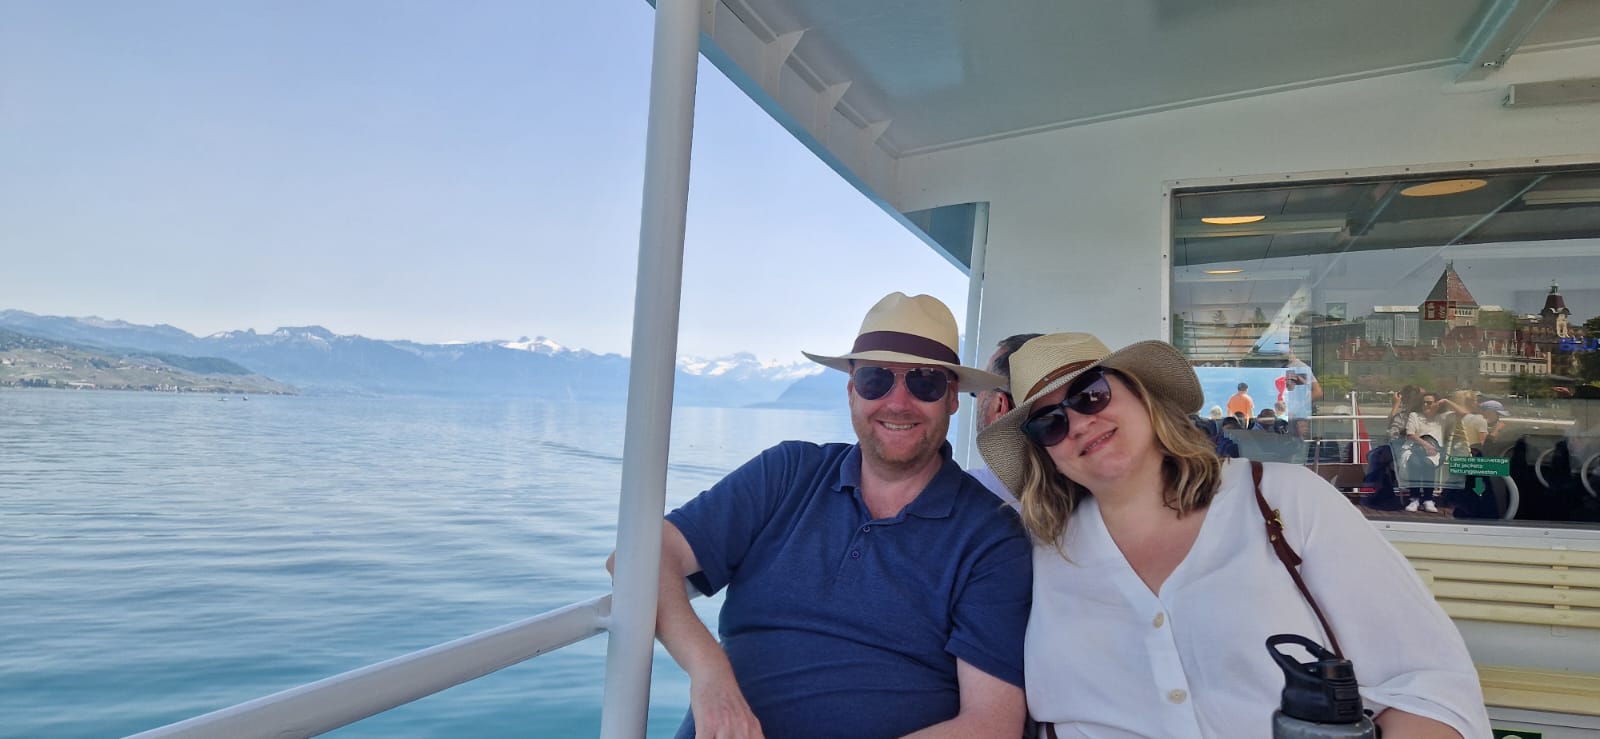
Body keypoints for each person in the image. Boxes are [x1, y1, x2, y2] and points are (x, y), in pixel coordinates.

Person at [976, 333, 1489, 738]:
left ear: (1144, 396)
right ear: (1045, 452)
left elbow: (1431, 685)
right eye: (1049, 423)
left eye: (1092, 395)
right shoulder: (1033, 550)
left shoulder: (1284, 500)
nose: (1080, 424)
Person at [616, 292, 1032, 739]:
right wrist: (710, 673)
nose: (898, 402)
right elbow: (638, 556)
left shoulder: (990, 536)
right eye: (876, 380)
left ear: (951, 398)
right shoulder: (786, 474)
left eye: (925, 382)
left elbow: (993, 723)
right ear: (852, 390)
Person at [968, 332, 1045, 504]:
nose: (977, 397)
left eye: (980, 389)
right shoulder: (1091, 501)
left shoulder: (956, 495)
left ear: (1000, 406)